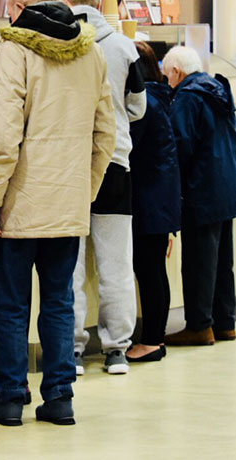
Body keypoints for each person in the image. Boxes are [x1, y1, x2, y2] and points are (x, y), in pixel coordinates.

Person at [0, 0, 116, 426]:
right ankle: (59, 398)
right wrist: (86, 189)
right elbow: (106, 133)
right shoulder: (91, 51)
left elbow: (3, 135)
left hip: (20, 202)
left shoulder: (14, 50)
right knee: (59, 301)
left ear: (18, 9)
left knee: (11, 304)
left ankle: (9, 399)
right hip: (68, 202)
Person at [62, 0, 146, 375]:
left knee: (71, 265)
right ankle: (117, 348)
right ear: (99, 2)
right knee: (116, 262)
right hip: (114, 163)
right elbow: (138, 108)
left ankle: (73, 350)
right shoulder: (125, 48)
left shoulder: (57, 43)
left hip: (71, 165)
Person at [162, 45, 236, 346]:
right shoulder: (218, 90)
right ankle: (226, 321)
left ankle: (199, 325)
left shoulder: (188, 97)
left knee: (198, 260)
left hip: (200, 187)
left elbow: (180, 144)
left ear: (176, 72)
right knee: (221, 260)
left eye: (167, 76)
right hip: (225, 185)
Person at [126, 42, 181, 363]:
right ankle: (155, 337)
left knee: (148, 270)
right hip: (162, 197)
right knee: (154, 269)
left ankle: (151, 340)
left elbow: (129, 146)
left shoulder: (144, 103)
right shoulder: (162, 96)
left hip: (149, 198)